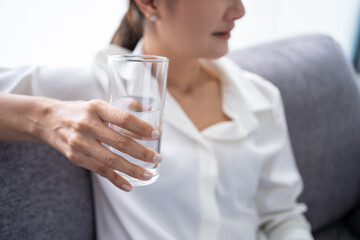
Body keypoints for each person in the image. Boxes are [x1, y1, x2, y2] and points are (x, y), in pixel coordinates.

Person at [0, 0, 314, 239]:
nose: (239, 10)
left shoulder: (261, 98)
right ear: (150, 3)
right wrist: (46, 118)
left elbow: (282, 217)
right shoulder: (100, 86)